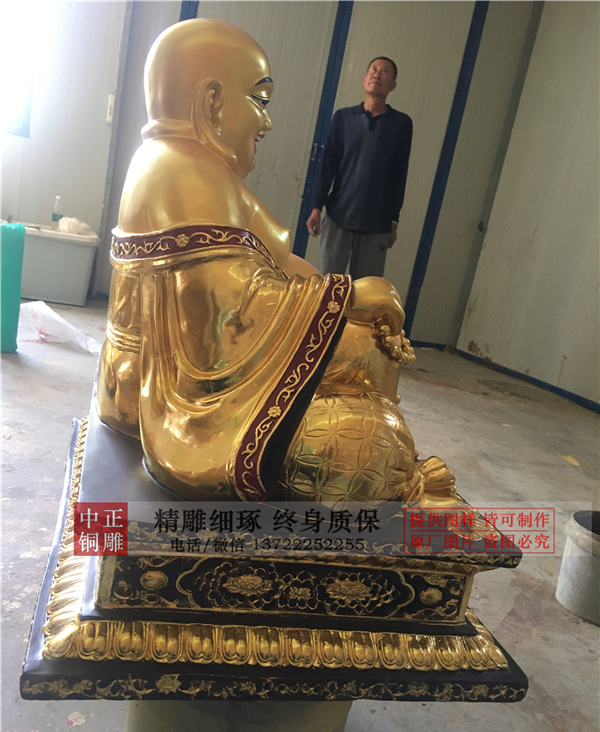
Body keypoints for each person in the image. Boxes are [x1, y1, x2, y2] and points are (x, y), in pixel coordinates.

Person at [97, 19, 456, 508]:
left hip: (192, 364)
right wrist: (348, 297)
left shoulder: (190, 164)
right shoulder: (180, 171)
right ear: (212, 101)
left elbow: (270, 261)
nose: (266, 124)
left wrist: (336, 299)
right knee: (366, 422)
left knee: (368, 346)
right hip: (181, 398)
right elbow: (231, 318)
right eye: (260, 101)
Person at [306, 57, 413, 279]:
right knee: (327, 286)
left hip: (377, 223)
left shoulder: (401, 125)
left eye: (385, 71)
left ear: (393, 85)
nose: (377, 74)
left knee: (366, 292)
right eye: (373, 69)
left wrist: (394, 220)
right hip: (339, 216)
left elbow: (399, 174)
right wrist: (316, 206)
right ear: (364, 79)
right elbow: (328, 164)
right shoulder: (344, 118)